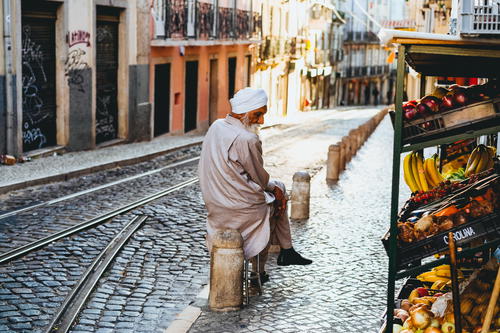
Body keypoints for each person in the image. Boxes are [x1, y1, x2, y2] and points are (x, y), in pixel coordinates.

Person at [198, 87, 312, 284]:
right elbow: (260, 178)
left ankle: (286, 251)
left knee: (277, 193)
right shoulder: (247, 139)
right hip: (242, 207)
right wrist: (276, 191)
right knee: (278, 195)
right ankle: (265, 266)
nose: (261, 121)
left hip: (215, 204)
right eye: (258, 115)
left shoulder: (216, 126)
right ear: (243, 112)